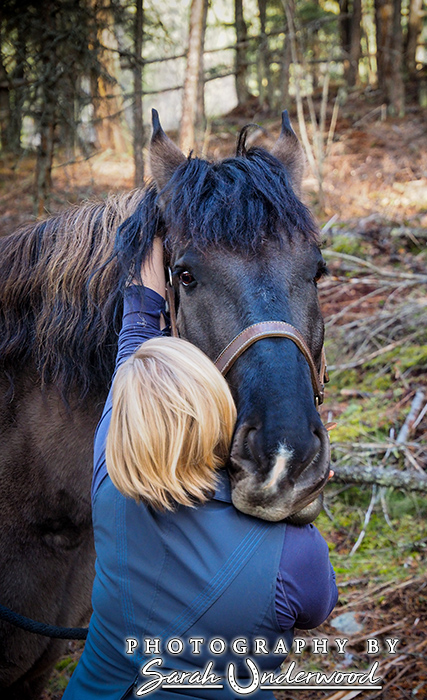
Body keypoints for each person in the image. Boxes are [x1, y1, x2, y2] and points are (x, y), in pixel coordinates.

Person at [63, 238, 338, 699]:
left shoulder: (110, 472)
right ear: (219, 410)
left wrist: (148, 241)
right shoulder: (295, 555)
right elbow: (316, 607)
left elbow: (134, 345)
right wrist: (294, 506)